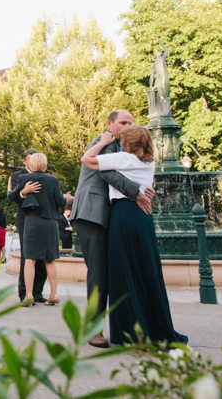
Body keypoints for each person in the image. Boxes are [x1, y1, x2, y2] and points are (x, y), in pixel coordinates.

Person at [81, 125, 187, 346]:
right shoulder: (149, 163)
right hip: (143, 218)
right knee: (145, 270)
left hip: (124, 215)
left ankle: (132, 332)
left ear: (128, 143)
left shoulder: (123, 159)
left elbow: (87, 159)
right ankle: (153, 328)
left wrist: (102, 142)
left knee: (124, 271)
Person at [69, 110, 155, 348]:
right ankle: (92, 330)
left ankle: (127, 327)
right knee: (99, 273)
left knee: (112, 272)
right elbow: (109, 174)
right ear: (109, 124)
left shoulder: (122, 147)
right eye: (122, 122)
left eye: (130, 122)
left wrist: (147, 186)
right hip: (92, 213)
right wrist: (137, 193)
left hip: (108, 215)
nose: (127, 126)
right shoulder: (105, 142)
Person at [10, 152, 68, 307]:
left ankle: (29, 295)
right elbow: (61, 202)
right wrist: (65, 198)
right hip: (50, 222)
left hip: (33, 221)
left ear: (31, 164)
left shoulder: (24, 178)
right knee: (49, 259)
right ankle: (54, 294)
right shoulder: (53, 180)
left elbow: (11, 196)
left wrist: (23, 192)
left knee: (30, 258)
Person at [7, 149, 48, 303]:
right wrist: (24, 192)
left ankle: (37, 292)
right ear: (24, 161)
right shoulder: (17, 176)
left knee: (43, 255)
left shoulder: (46, 177)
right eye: (30, 159)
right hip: (25, 219)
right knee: (27, 255)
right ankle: (25, 294)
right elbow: (12, 197)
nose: (33, 162)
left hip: (43, 219)